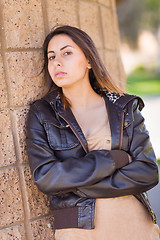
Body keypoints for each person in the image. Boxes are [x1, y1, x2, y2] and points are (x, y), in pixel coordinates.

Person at [26, 25, 159, 240]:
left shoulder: (124, 107)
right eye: (51, 57)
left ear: (89, 60)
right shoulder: (43, 113)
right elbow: (46, 177)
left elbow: (147, 172)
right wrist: (110, 160)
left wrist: (75, 186)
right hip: (77, 232)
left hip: (133, 225)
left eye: (67, 52)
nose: (57, 62)